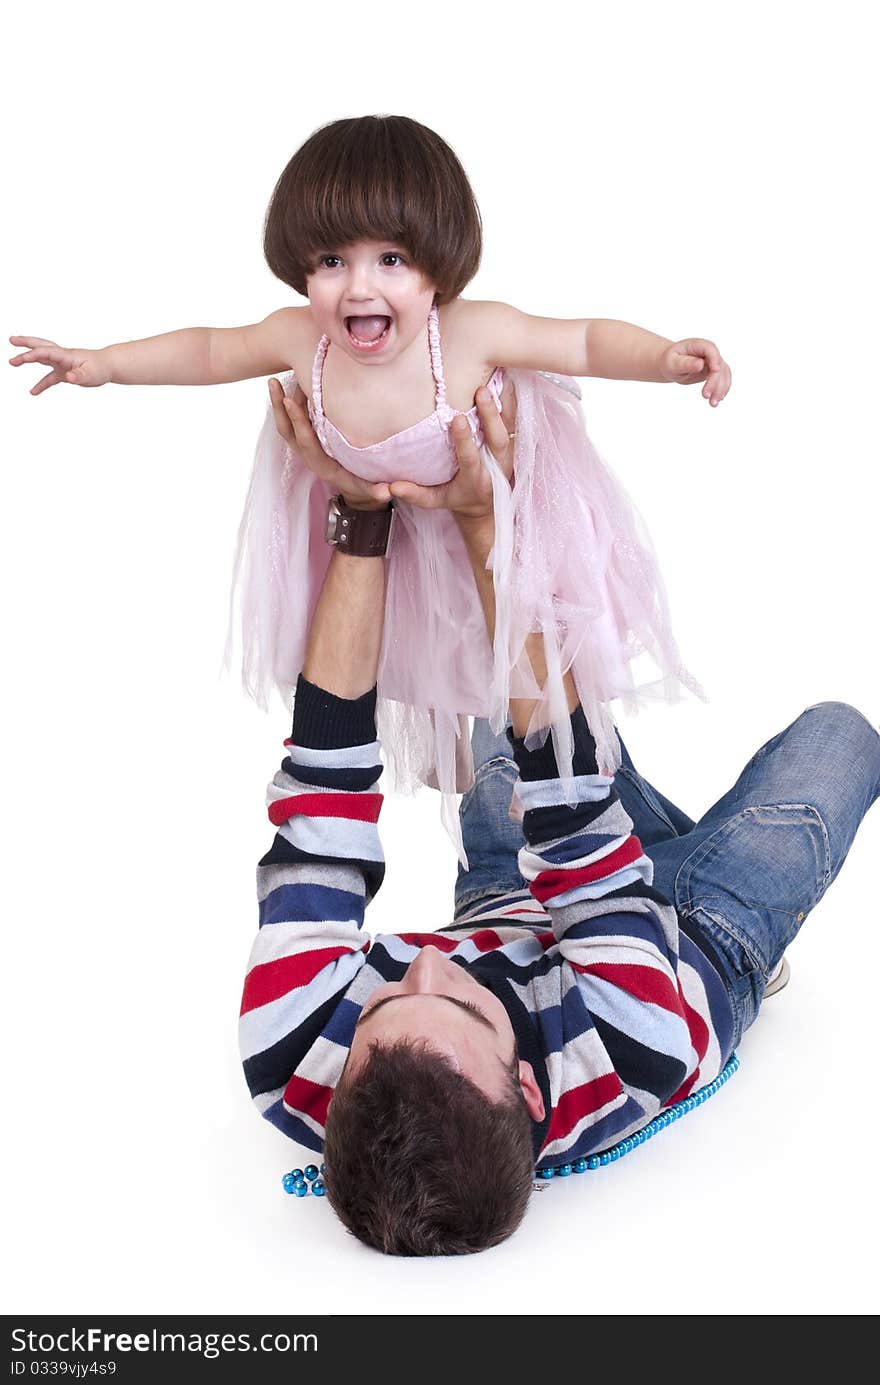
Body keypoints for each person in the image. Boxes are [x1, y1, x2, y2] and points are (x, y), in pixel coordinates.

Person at [238, 375, 880, 1256]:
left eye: (384, 1005)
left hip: (514, 897)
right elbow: (573, 817)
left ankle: (630, 839)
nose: (423, 965)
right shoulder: (635, 1047)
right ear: (531, 1091)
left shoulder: (291, 1053)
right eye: (459, 1006)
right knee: (842, 740)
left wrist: (360, 510)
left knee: (494, 701)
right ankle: (708, 908)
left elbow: (322, 796)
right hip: (695, 941)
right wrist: (483, 522)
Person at [8, 114, 731, 851]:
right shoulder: (304, 339)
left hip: (503, 530)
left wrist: (664, 356)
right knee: (486, 732)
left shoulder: (471, 332)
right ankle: (611, 846)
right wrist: (102, 363)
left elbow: (578, 338)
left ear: (438, 270)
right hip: (406, 554)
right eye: (330, 260)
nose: (359, 287)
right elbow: (210, 349)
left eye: (391, 259)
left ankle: (619, 839)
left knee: (547, 708)